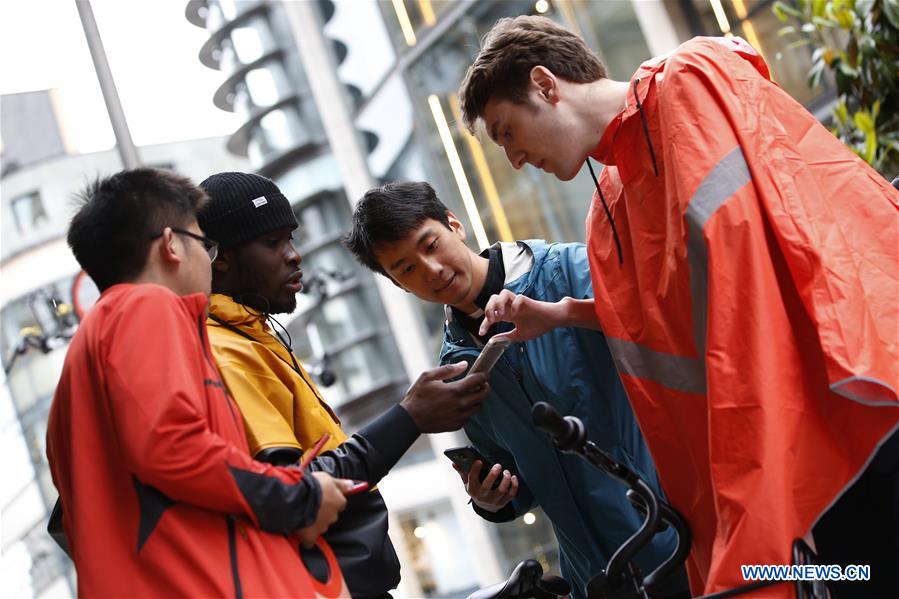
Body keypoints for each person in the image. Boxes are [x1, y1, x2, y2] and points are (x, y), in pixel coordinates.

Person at [458, 15, 899, 597]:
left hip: (850, 396)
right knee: (850, 576)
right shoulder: (607, 208)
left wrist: (759, 484)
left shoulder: (687, 82)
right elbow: (664, 317)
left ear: (545, 84)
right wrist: (561, 314)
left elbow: (746, 272)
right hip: (781, 455)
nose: (513, 158)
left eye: (508, 131)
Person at [344, 181, 690, 599]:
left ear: (455, 225)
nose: (430, 269)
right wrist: (493, 497)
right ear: (398, 285)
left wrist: (563, 315)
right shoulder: (455, 369)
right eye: (406, 269)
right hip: (595, 580)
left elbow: (666, 328)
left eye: (431, 244)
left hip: (679, 540)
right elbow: (514, 473)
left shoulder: (566, 271)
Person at [46, 168, 353, 597]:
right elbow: (172, 445)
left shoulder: (89, 349)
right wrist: (299, 496)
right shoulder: (145, 306)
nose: (208, 258)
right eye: (202, 243)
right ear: (171, 245)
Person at [196, 171, 490, 598]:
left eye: (291, 239)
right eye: (272, 243)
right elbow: (291, 488)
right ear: (220, 257)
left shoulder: (251, 336)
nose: (294, 256)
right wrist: (409, 417)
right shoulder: (225, 351)